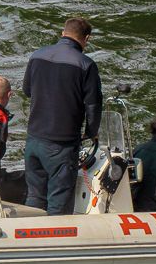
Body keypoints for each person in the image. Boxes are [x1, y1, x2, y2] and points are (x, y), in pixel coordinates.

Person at [21, 17, 103, 215]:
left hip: (34, 139)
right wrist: (91, 132)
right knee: (59, 201)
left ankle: (29, 238)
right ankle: (56, 242)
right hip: (61, 145)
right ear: (87, 39)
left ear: (62, 33)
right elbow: (93, 105)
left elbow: (27, 90)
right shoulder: (86, 64)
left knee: (34, 196)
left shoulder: (37, 55)